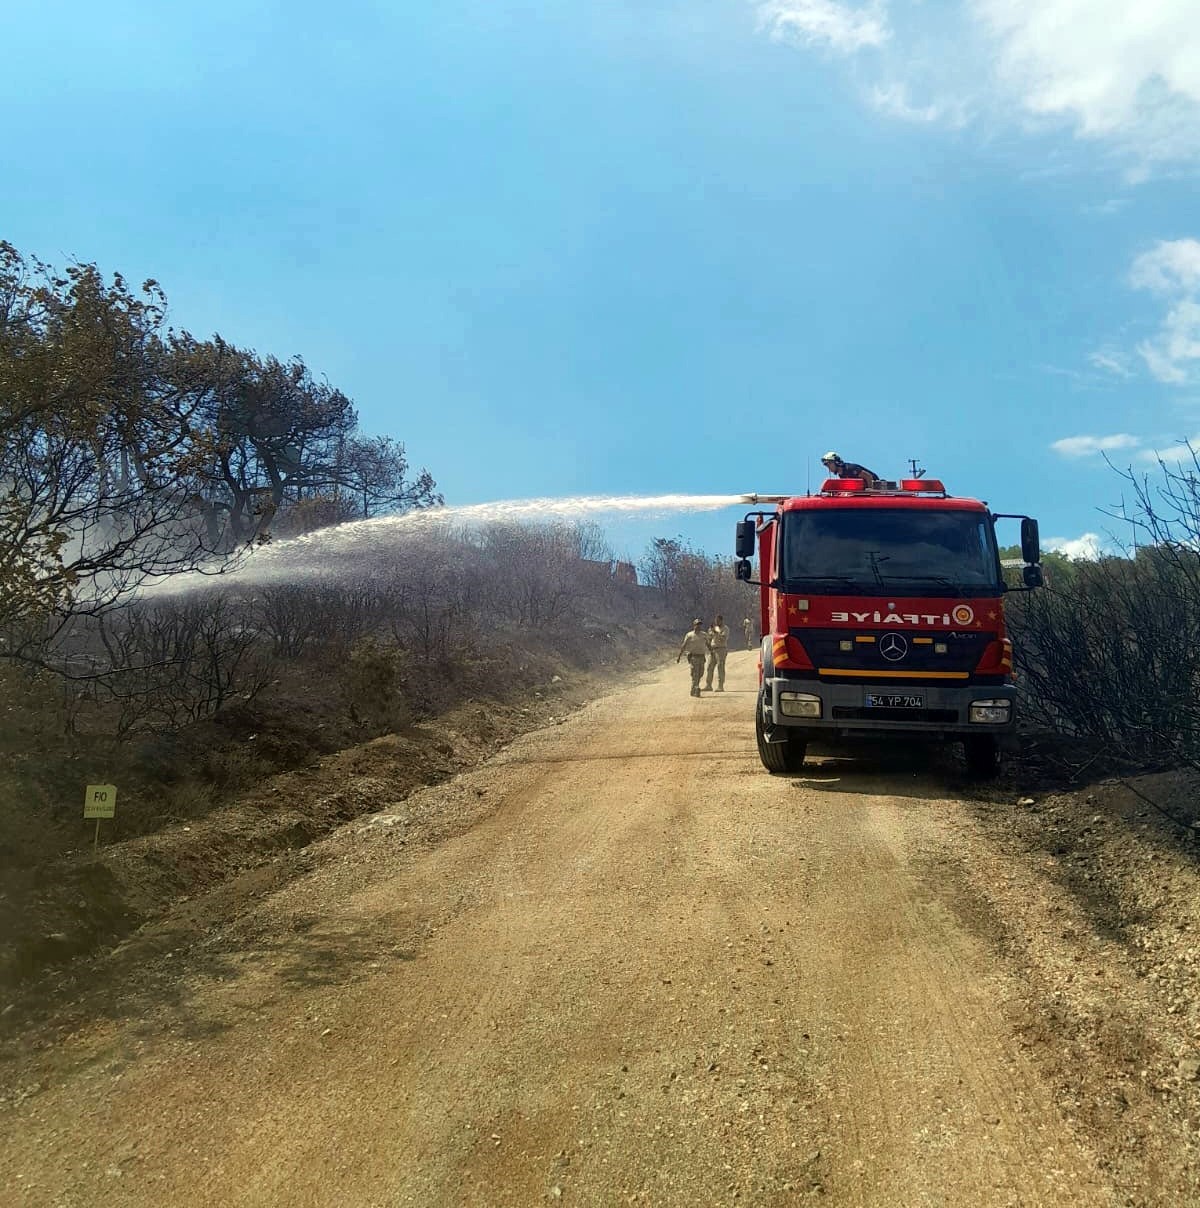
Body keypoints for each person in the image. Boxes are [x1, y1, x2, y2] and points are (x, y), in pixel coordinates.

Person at [677, 618, 710, 698]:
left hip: (702, 657)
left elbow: (708, 644)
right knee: (695, 674)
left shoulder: (704, 635)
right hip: (693, 657)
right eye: (697, 625)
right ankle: (696, 688)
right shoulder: (689, 635)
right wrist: (679, 656)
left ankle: (694, 688)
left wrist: (712, 651)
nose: (698, 626)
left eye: (700, 625)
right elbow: (684, 646)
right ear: (694, 625)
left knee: (701, 673)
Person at [705, 614, 730, 691]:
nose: (717, 622)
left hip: (721, 649)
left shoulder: (725, 628)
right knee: (709, 667)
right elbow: (709, 638)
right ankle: (708, 685)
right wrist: (708, 645)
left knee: (720, 667)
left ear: (721, 621)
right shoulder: (713, 628)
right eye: (716, 620)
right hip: (713, 649)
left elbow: (723, 639)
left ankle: (720, 686)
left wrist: (716, 633)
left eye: (718, 620)